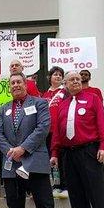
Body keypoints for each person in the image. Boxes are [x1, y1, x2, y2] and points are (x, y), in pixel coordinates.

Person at [0, 72, 70, 208]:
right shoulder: (3, 109)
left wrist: (23, 148)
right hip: (12, 167)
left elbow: (44, 127)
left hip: (35, 165)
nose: (16, 85)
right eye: (12, 83)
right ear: (9, 87)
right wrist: (11, 151)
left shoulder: (39, 104)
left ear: (26, 84)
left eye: (19, 81)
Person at [51, 71, 104, 208]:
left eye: (78, 79)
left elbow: (102, 122)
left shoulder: (93, 98)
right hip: (68, 154)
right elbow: (58, 130)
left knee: (97, 194)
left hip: (89, 151)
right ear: (65, 84)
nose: (76, 81)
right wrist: (54, 152)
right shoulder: (62, 105)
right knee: (77, 196)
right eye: (72, 79)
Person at [41, 66, 68, 199]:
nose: (58, 77)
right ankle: (56, 184)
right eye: (55, 74)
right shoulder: (44, 95)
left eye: (60, 75)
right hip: (47, 132)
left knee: (62, 158)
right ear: (49, 77)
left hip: (61, 131)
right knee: (52, 159)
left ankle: (65, 185)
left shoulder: (65, 92)